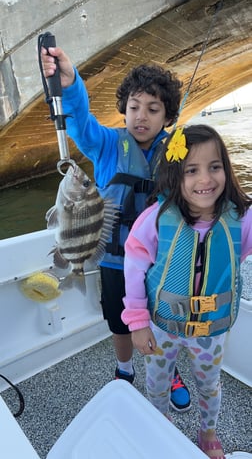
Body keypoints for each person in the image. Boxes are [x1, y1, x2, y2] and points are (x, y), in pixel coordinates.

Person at [41, 45, 191, 411]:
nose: (141, 116)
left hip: (160, 262)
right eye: (134, 107)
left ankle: (167, 369)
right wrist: (70, 83)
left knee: (162, 320)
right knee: (120, 322)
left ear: (167, 116)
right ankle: (125, 369)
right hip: (113, 262)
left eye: (153, 110)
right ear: (123, 109)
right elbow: (80, 121)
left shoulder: (176, 150)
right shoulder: (106, 144)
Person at [121, 124, 252, 459]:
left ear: (227, 169)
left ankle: (207, 431)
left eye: (215, 167)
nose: (205, 180)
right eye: (191, 170)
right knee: (157, 382)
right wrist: (136, 323)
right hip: (160, 328)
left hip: (210, 332)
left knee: (210, 385)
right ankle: (159, 422)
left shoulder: (243, 219)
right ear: (175, 176)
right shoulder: (154, 219)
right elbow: (134, 269)